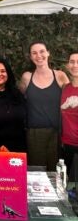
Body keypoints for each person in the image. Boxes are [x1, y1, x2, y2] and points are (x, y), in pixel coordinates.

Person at [19, 41, 69, 170]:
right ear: (30, 57)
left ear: (48, 53)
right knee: (36, 173)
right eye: (34, 53)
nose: (38, 55)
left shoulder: (60, 76)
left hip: (57, 133)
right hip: (33, 134)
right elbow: (18, 101)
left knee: (56, 173)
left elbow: (72, 99)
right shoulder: (26, 77)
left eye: (42, 51)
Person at [61, 52, 78, 177]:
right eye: (72, 62)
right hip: (66, 144)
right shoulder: (65, 88)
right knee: (68, 184)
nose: (75, 65)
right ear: (67, 65)